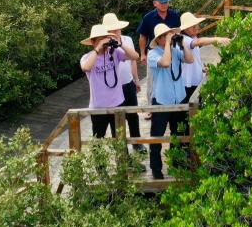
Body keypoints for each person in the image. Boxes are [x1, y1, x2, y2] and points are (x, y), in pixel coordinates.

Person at [145, 22, 193, 179]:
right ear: (159, 39)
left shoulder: (175, 50)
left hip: (178, 99)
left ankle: (176, 163)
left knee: (178, 134)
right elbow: (165, 63)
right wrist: (167, 44)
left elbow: (190, 60)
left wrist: (182, 44)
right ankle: (156, 169)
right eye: (166, 36)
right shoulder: (153, 54)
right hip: (162, 101)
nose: (169, 38)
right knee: (157, 137)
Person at [79, 23, 128, 139]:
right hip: (98, 107)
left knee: (120, 139)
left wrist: (120, 44)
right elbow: (86, 67)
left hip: (117, 103)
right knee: (98, 140)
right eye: (100, 39)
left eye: (105, 38)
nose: (104, 41)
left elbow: (135, 56)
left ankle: (122, 158)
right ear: (92, 41)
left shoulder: (115, 52)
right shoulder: (87, 57)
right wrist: (98, 48)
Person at [100, 13, 140, 144]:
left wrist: (136, 79)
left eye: (117, 28)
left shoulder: (127, 39)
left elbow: (134, 59)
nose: (116, 31)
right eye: (112, 29)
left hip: (128, 83)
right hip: (113, 89)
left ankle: (136, 143)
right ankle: (121, 148)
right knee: (116, 121)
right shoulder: (103, 45)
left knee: (133, 115)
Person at [178, 11, 230, 103]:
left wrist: (201, 69)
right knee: (189, 108)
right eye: (193, 26)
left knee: (196, 105)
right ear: (185, 29)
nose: (196, 28)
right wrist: (216, 39)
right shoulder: (184, 39)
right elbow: (199, 42)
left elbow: (195, 58)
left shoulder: (192, 37)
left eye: (196, 25)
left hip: (194, 78)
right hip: (188, 82)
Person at [138, 0, 180, 65]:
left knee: (175, 74)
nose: (164, 5)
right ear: (155, 3)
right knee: (153, 76)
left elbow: (179, 32)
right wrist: (142, 54)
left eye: (166, 2)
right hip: (154, 52)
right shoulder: (148, 18)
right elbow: (142, 36)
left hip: (173, 50)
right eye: (161, 2)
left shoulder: (175, 15)